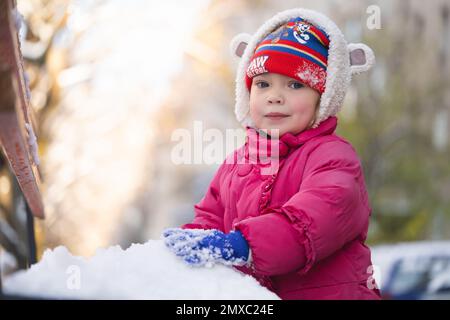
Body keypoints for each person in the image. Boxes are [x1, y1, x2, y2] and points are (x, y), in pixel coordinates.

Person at [163, 8, 381, 300]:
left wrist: (243, 245)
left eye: (295, 84)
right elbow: (209, 218)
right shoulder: (237, 163)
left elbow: (312, 220)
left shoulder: (333, 158)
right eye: (263, 84)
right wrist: (188, 246)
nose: (274, 96)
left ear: (324, 98)